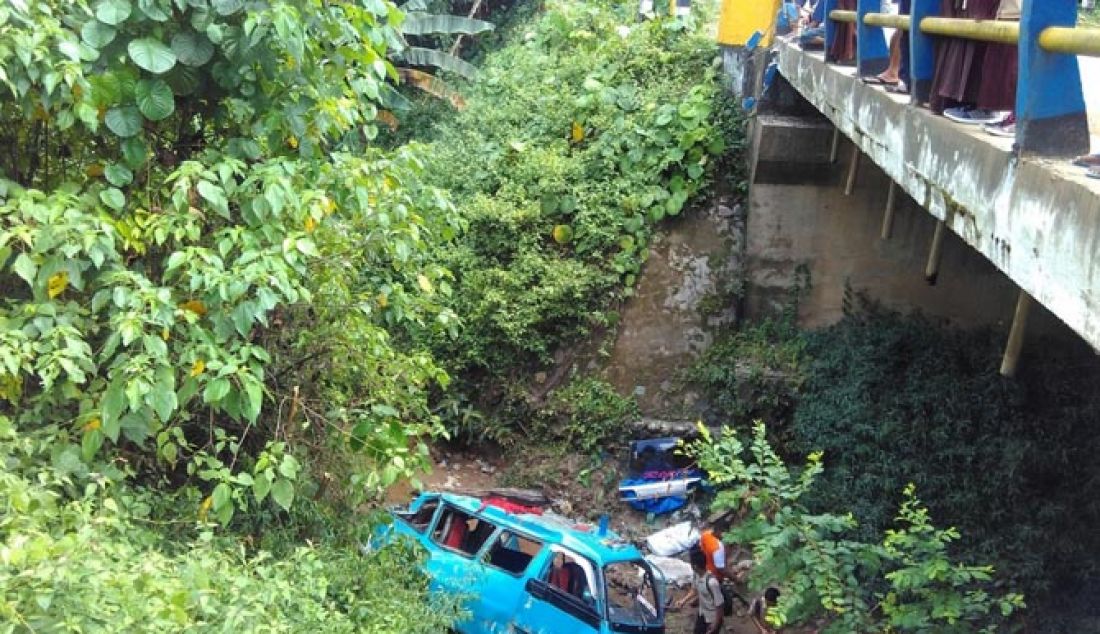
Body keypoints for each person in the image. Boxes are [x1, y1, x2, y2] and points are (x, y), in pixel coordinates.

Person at [675, 548, 725, 634]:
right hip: (702, 614)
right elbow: (694, 590)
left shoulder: (712, 583)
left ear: (695, 566)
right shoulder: (696, 575)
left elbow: (719, 605)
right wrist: (683, 601)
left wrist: (715, 624)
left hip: (712, 618)